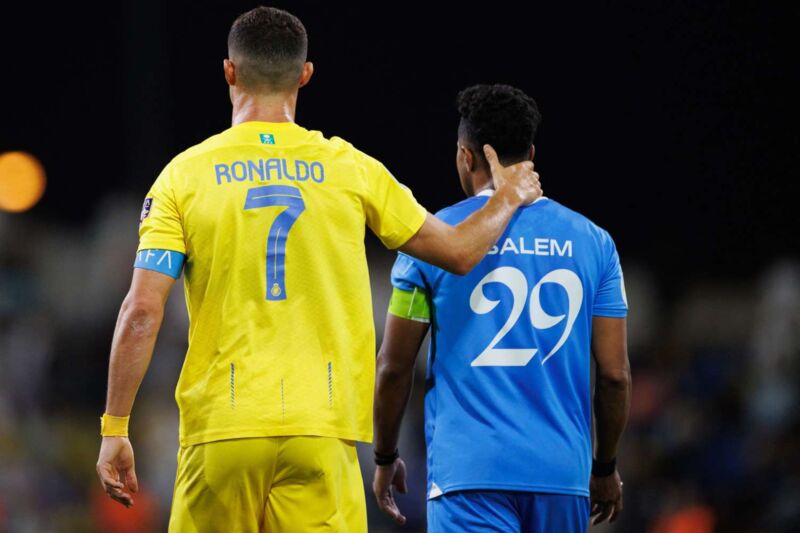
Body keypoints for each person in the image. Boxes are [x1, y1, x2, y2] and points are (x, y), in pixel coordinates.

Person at [94, 7, 541, 533]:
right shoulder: (350, 168)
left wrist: (115, 426)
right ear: (305, 75)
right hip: (323, 431)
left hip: (223, 428)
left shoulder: (183, 177)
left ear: (229, 71)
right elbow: (460, 252)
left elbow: (142, 310)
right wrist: (507, 195)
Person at [372, 84, 631, 532]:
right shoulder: (595, 243)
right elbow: (614, 376)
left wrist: (385, 456)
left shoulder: (431, 241)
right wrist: (604, 466)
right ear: (530, 154)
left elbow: (394, 367)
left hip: (468, 476)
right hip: (561, 477)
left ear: (465, 156)